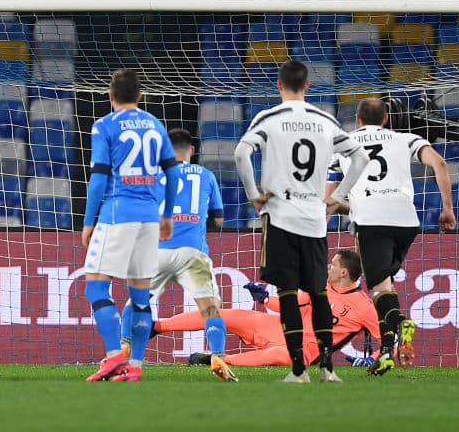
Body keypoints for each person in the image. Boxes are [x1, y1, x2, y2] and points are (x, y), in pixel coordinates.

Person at [233, 59, 369, 384]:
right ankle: (328, 369)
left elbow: (241, 152)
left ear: (279, 85)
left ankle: (298, 371)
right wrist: (339, 196)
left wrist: (253, 193)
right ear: (308, 86)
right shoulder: (324, 119)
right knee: (319, 293)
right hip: (313, 218)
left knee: (288, 293)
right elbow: (360, 157)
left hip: (280, 217)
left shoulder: (270, 118)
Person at [326, 97, 456, 375]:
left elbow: (329, 198)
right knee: (385, 286)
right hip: (407, 220)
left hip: (372, 220)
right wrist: (447, 210)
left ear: (358, 119)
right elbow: (441, 164)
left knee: (379, 290)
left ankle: (399, 325)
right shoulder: (407, 138)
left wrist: (331, 213)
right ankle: (386, 352)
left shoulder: (343, 144)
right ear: (385, 119)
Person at [82, 68, 181, 382]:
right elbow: (173, 172)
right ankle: (135, 365)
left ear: (110, 96)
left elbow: (98, 178)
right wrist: (166, 216)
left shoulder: (104, 125)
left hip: (117, 213)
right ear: (140, 96)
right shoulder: (155, 125)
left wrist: (89, 221)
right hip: (150, 217)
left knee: (96, 285)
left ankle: (114, 356)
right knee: (140, 298)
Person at [120, 128, 236, 382]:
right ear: (192, 151)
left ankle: (126, 352)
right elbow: (218, 218)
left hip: (157, 251)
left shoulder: (153, 176)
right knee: (210, 310)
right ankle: (217, 356)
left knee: (136, 304)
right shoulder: (206, 176)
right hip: (192, 252)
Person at [155, 249, 380, 368]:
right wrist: (265, 299)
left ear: (344, 273)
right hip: (280, 328)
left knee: (278, 355)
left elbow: (393, 341)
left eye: (333, 264)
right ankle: (158, 326)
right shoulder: (320, 285)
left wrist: (373, 359)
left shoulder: (364, 306)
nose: (328, 266)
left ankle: (218, 360)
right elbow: (293, 305)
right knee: (225, 315)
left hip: (306, 350)